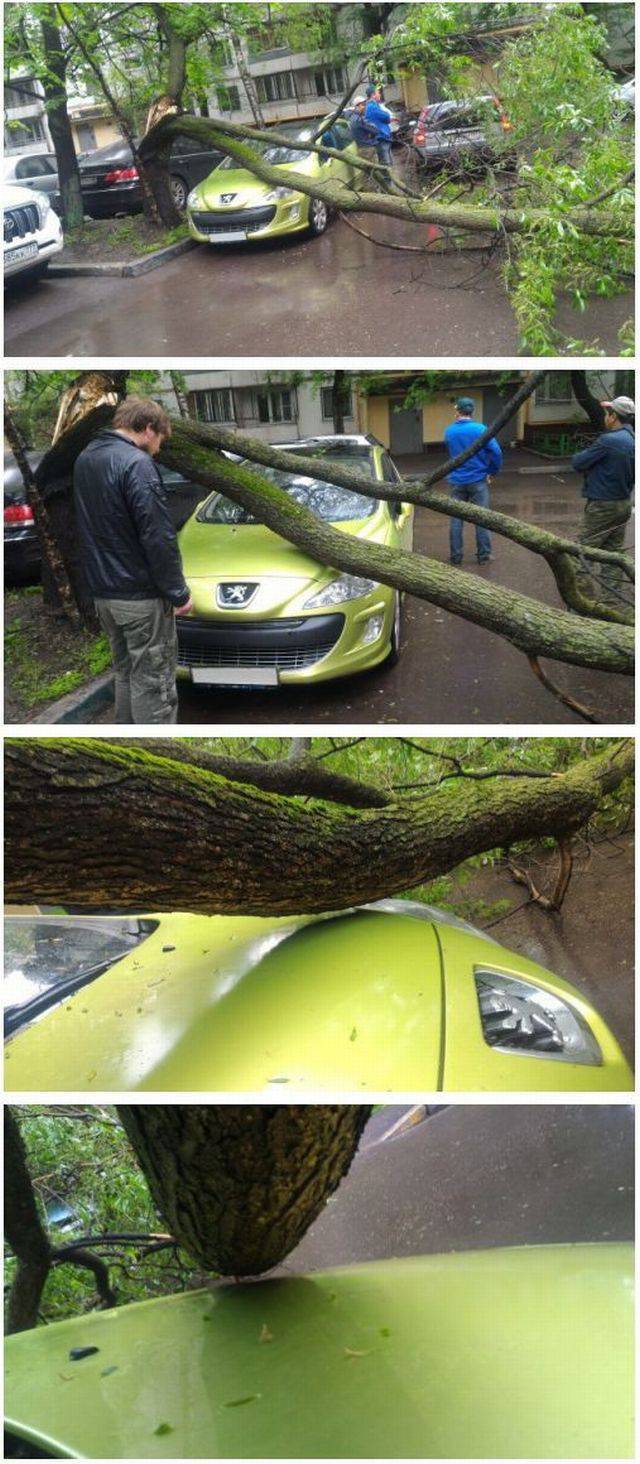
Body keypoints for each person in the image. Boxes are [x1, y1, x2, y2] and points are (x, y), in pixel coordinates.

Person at [73, 396, 193, 724]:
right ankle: (155, 748)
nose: (158, 449)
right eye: (160, 440)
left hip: (104, 595)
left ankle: (127, 736)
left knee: (125, 673)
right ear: (148, 428)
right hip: (139, 597)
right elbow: (158, 536)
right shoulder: (136, 464)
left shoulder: (86, 458)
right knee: (154, 684)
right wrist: (179, 593)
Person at [571, 395, 635, 605]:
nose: (604, 416)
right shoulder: (632, 439)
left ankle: (584, 604)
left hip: (602, 506)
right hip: (623, 503)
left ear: (614, 416)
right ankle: (611, 603)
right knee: (613, 555)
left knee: (578, 554)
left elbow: (579, 462)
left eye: (607, 413)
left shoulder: (610, 440)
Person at [444, 397, 503, 565]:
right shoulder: (481, 429)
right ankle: (484, 556)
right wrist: (492, 471)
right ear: (472, 411)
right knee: (481, 518)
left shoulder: (449, 431)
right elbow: (496, 453)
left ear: (457, 412)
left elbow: (452, 453)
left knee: (456, 520)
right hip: (478, 480)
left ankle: (456, 557)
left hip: (457, 481)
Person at [364, 83, 394, 170]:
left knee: (388, 164)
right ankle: (388, 183)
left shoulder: (374, 106)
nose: (380, 94)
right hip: (381, 139)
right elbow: (387, 117)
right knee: (386, 166)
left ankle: (390, 182)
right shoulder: (372, 107)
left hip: (383, 138)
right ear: (373, 95)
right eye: (378, 92)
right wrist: (387, 115)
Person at [348, 96, 380, 174]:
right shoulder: (359, 119)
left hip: (361, 148)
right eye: (363, 105)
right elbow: (375, 130)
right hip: (368, 149)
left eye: (365, 104)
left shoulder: (352, 118)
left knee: (367, 172)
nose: (365, 107)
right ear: (357, 106)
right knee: (374, 173)